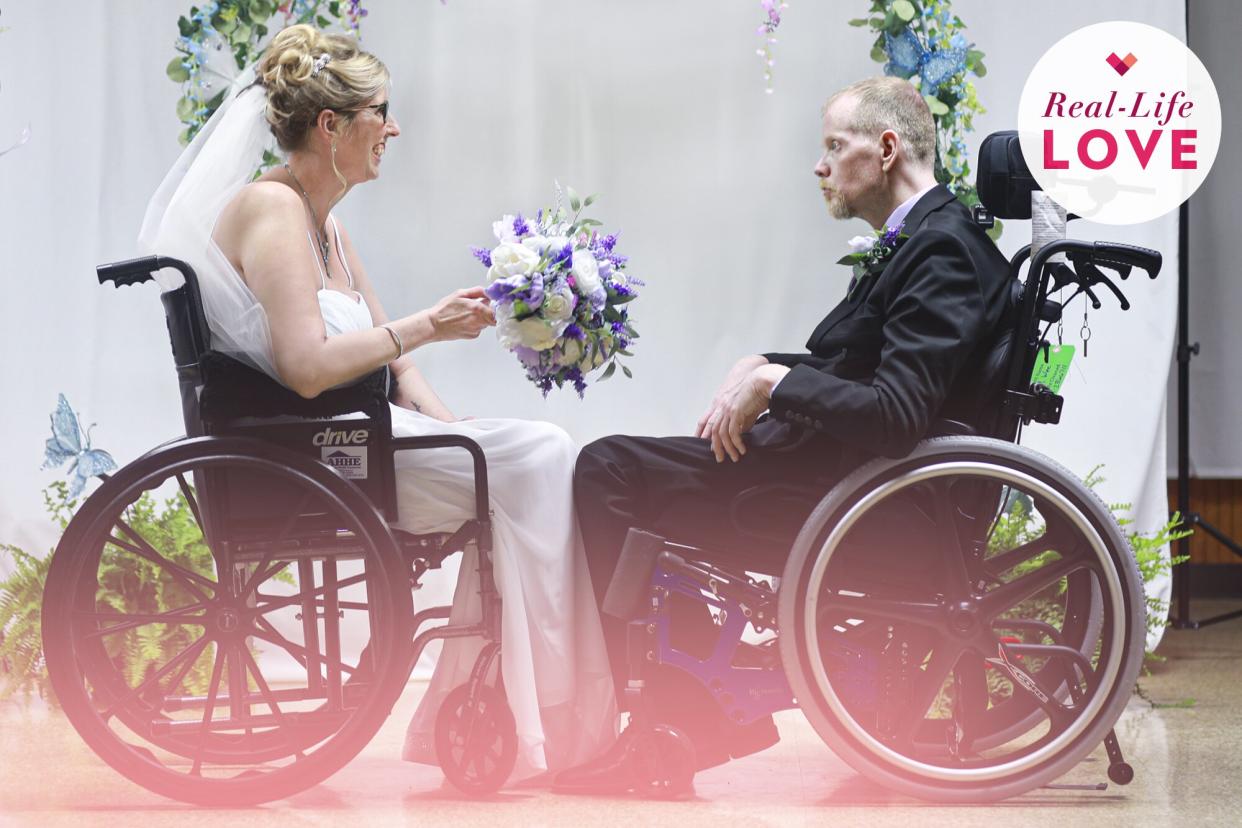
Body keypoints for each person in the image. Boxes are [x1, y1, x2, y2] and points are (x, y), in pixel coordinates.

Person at [138, 24, 615, 783]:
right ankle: (555, 710)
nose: (392, 128)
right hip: (318, 452)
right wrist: (427, 324)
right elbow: (305, 368)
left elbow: (396, 371)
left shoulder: (325, 224)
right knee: (547, 454)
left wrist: (456, 430)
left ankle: (513, 699)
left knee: (529, 452)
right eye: (380, 112)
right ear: (332, 126)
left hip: (363, 435)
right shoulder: (271, 210)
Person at [555, 76, 1012, 792]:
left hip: (858, 507)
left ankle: (676, 722)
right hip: (830, 480)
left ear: (887, 149)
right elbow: (869, 368)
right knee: (622, 464)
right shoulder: (927, 238)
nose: (819, 165)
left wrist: (774, 385)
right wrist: (767, 364)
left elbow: (896, 413)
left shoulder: (941, 251)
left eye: (835, 145)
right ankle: (684, 709)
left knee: (607, 471)